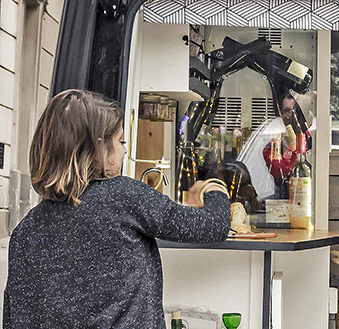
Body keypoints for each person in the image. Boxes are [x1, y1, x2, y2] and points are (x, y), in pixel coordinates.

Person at [3, 89, 231, 328]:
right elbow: (210, 226)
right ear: (99, 147)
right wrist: (215, 188)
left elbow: (14, 316)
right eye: (121, 141)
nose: (124, 150)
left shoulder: (26, 230)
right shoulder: (124, 196)